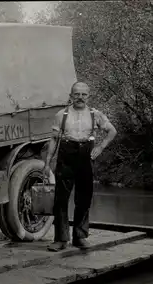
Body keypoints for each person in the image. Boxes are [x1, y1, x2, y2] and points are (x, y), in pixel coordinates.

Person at [43, 82, 117, 252]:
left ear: (88, 96)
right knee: (61, 199)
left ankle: (80, 237)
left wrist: (100, 147)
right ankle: (61, 239)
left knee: (83, 198)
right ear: (71, 96)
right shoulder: (61, 115)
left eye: (84, 94)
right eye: (77, 94)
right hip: (66, 156)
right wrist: (47, 163)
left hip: (86, 156)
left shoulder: (95, 114)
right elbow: (54, 139)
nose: (80, 98)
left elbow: (112, 131)